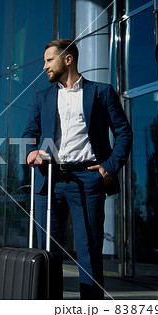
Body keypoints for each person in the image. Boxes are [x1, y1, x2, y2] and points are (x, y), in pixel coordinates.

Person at [23, 39, 133, 299]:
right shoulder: (43, 96)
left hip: (88, 179)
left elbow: (124, 133)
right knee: (48, 252)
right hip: (49, 180)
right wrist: (29, 152)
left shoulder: (101, 92)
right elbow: (29, 132)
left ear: (68, 59)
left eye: (49, 60)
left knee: (89, 252)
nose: (45, 66)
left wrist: (109, 168)